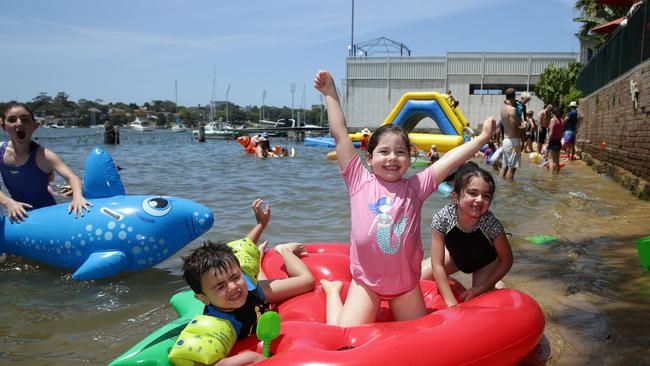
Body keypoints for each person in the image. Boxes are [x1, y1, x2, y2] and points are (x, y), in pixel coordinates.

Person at [314, 70, 495, 326]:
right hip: (367, 283)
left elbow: (450, 159)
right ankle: (334, 293)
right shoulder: (358, 180)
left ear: (410, 159)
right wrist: (331, 94)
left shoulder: (416, 187)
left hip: (404, 286)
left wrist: (482, 139)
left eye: (400, 152)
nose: (392, 158)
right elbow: (340, 135)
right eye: (384, 151)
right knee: (343, 337)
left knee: (422, 347)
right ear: (369, 158)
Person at [181, 199, 315, 366]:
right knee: (250, 277)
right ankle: (258, 263)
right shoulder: (218, 324)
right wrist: (250, 357)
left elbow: (243, 247)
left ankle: (284, 250)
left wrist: (261, 225)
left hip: (254, 292)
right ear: (203, 298)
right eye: (220, 286)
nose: (232, 287)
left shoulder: (246, 286)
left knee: (307, 282)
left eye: (234, 277)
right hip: (251, 294)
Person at [420, 162, 513, 307]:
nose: (479, 200)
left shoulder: (490, 223)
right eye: (473, 193)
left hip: (485, 263)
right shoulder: (443, 218)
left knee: (477, 302)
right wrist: (451, 302)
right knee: (417, 278)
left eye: (486, 196)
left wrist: (482, 288)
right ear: (455, 196)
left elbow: (507, 260)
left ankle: (497, 286)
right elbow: (437, 265)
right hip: (456, 256)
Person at [0, 104, 91, 222]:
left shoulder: (44, 155)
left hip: (47, 215)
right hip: (18, 212)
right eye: (12, 120)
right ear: (3, 126)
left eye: (25, 120)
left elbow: (72, 177)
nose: (19, 123)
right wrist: (9, 202)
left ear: (34, 126)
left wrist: (78, 196)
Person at [499, 88, 525, 180]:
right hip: (513, 142)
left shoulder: (502, 109)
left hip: (505, 140)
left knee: (504, 166)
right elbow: (516, 128)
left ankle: (502, 185)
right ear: (514, 96)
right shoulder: (512, 110)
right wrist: (524, 125)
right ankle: (509, 191)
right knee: (512, 169)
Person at [547, 107, 565, 174]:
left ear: (553, 113)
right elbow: (561, 133)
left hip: (553, 141)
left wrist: (548, 142)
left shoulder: (553, 120)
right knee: (557, 160)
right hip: (558, 141)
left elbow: (551, 133)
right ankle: (557, 174)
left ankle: (551, 177)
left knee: (551, 159)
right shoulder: (562, 120)